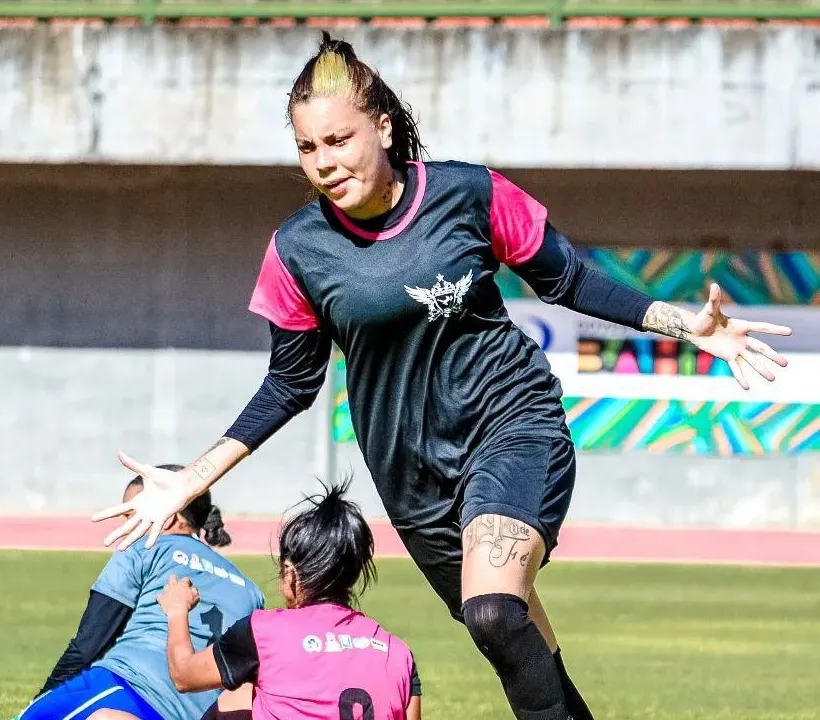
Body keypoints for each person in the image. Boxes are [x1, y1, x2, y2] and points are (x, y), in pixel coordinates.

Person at [93, 33, 793, 720]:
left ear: (384, 127)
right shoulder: (295, 249)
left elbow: (566, 279)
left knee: (492, 609)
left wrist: (688, 326)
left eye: (339, 140)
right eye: (308, 148)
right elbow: (290, 383)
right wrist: (192, 480)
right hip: (411, 476)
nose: (324, 162)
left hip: (509, 425)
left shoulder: (468, 193)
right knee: (513, 637)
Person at [17, 466, 265, 720]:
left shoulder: (146, 548)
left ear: (168, 516)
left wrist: (39, 703)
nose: (128, 529)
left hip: (126, 686)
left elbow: (88, 642)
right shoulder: (252, 591)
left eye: (134, 517)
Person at [158, 481, 421, 720]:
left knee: (235, 696)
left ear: (290, 572)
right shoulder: (398, 653)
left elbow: (184, 675)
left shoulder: (263, 632)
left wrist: (177, 610)